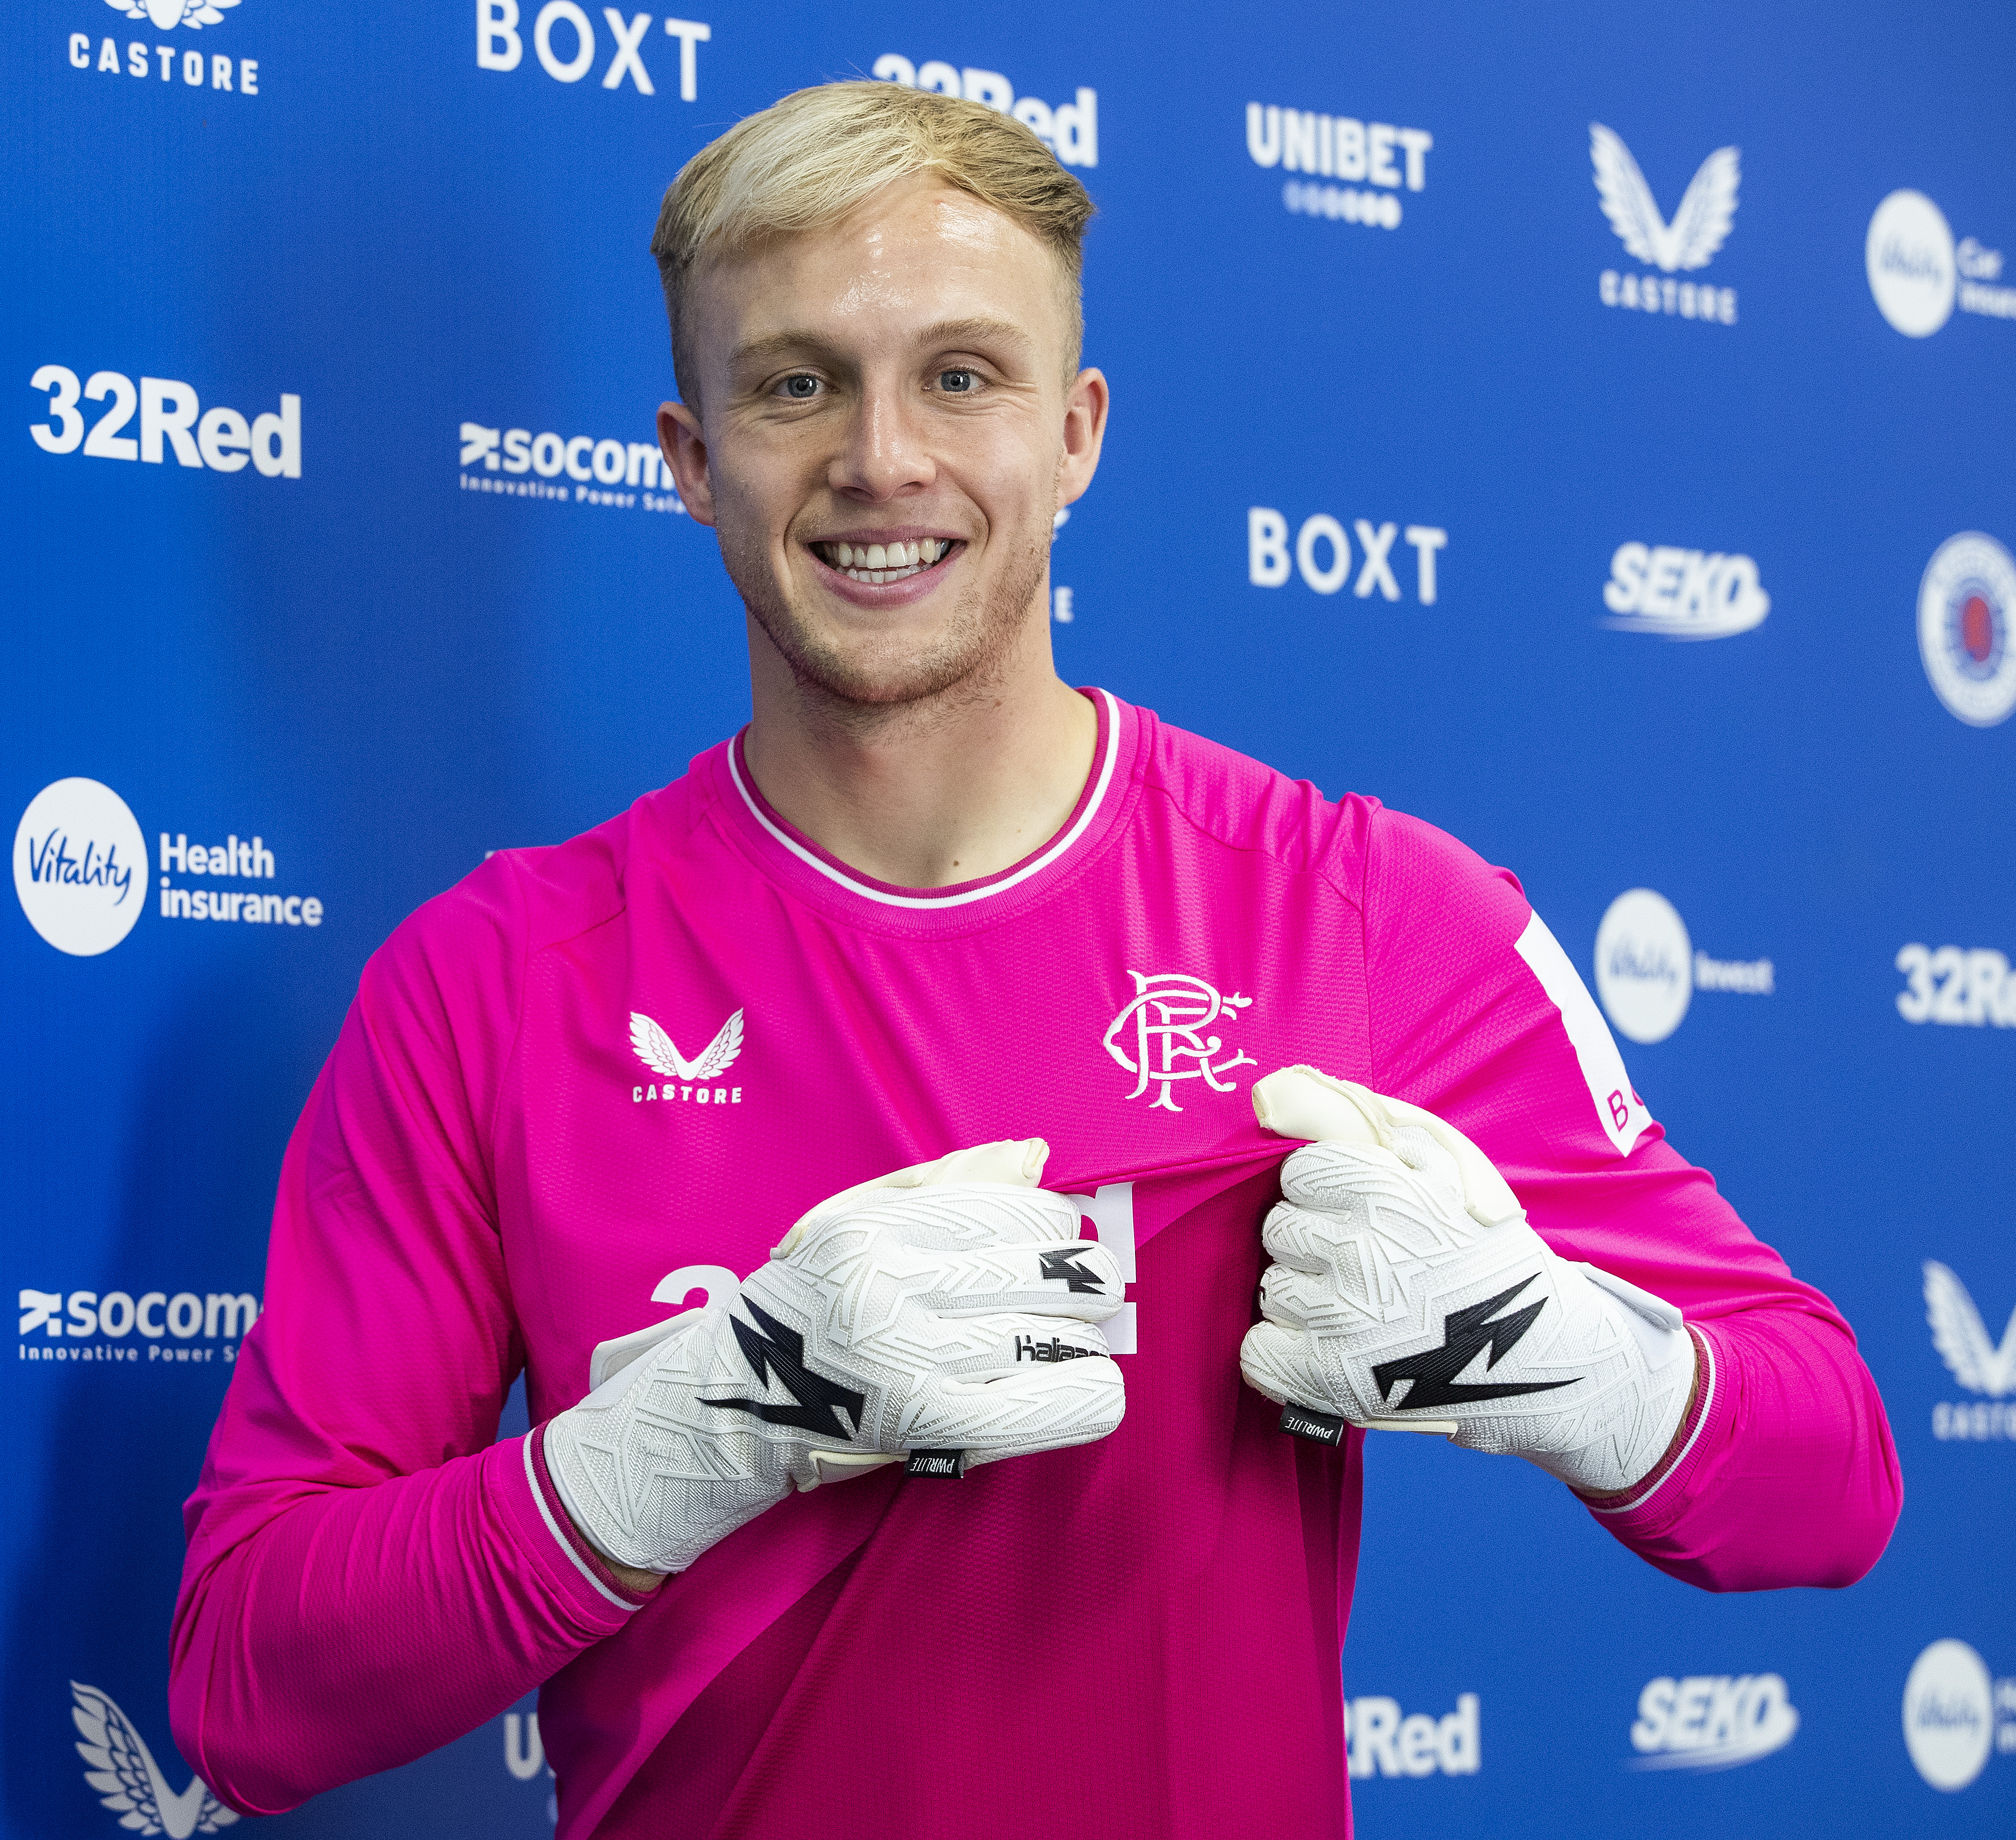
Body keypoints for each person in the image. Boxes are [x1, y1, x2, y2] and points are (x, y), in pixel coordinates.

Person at [169, 81, 1900, 1837]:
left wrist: (1570, 1358)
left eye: (962, 376)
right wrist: (705, 1429)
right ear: (692, 462)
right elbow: (247, 1686)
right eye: (794, 382)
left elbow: (1832, 1481)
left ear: (1075, 435)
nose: (883, 460)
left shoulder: (1365, 913)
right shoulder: (492, 984)